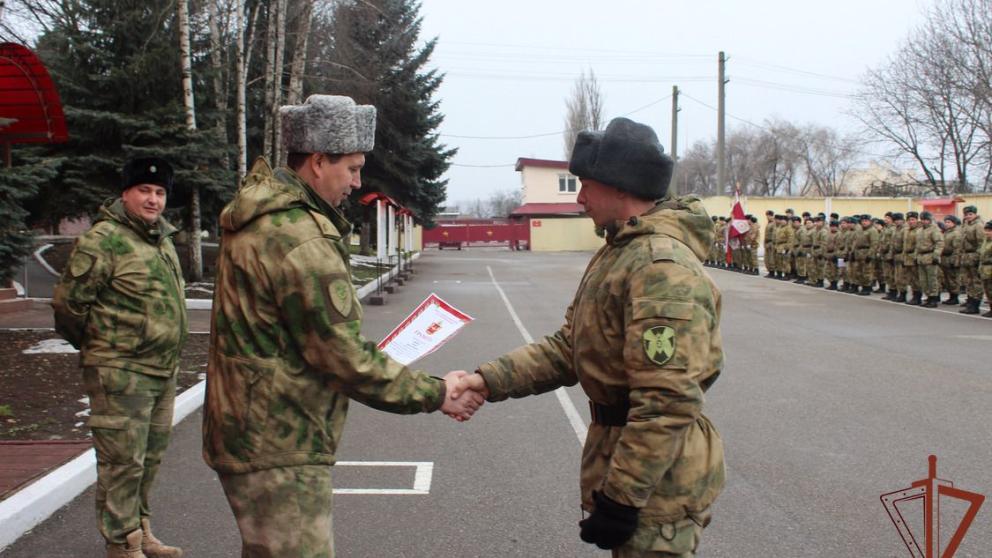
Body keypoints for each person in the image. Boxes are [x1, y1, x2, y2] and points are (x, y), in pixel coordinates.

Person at [202, 95, 483, 557]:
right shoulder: (300, 237)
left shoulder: (264, 218)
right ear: (317, 162)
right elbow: (342, 356)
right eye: (351, 168)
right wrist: (437, 393)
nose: (357, 181)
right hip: (280, 441)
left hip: (253, 430)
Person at [452, 117, 725, 557]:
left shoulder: (659, 268)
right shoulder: (622, 252)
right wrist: (487, 380)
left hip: (658, 480)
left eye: (585, 184)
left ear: (621, 187)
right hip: (634, 464)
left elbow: (667, 399)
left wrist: (622, 498)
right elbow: (570, 347)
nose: (579, 197)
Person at [52, 157, 187, 558]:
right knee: (121, 461)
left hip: (161, 371)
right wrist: (103, 349)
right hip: (120, 373)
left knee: (148, 458)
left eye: (159, 192)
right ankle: (121, 542)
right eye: (144, 191)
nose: (152, 200)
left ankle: (141, 531)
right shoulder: (103, 239)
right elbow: (68, 306)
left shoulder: (160, 240)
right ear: (125, 193)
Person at [915, 211, 944, 308]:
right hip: (921, 257)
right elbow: (917, 245)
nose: (924, 221)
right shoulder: (920, 230)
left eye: (926, 219)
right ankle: (928, 296)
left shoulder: (934, 230)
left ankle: (933, 298)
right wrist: (916, 256)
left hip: (930, 256)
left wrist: (936, 256)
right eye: (922, 219)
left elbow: (939, 243)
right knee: (923, 280)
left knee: (932, 279)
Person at [959, 206, 985, 314]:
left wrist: (978, 257)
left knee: (976, 281)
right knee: (968, 281)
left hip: (974, 256)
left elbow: (981, 243)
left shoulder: (978, 225)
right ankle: (970, 301)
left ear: (975, 214)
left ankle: (975, 304)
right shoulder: (966, 225)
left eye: (970, 214)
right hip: (966, 257)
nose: (968, 216)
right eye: (966, 214)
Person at [941, 215, 963, 305]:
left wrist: (955, 260)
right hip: (945, 258)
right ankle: (951, 296)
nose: (946, 224)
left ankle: (954, 297)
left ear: (954, 223)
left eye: (949, 222)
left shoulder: (956, 233)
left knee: (953, 279)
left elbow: (957, 248)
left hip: (951, 258)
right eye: (946, 222)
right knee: (947, 279)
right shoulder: (947, 232)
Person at [980, 220, 992, 318]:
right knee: (988, 290)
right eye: (986, 230)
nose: (987, 232)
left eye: (990, 230)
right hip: (985, 268)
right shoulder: (986, 241)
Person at [763, 210, 777, 278]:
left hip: (771, 242)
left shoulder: (774, 223)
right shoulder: (768, 223)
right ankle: (769, 271)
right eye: (767, 216)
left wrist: (772, 243)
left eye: (768, 216)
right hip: (767, 242)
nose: (767, 217)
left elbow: (774, 234)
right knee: (767, 259)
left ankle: (772, 272)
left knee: (771, 259)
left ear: (771, 216)